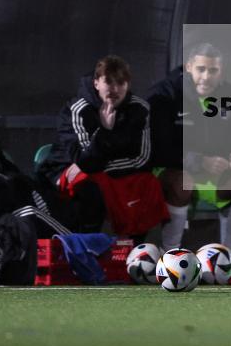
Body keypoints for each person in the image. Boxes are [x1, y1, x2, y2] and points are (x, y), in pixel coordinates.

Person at [148, 43, 231, 254]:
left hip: (213, 175)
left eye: (213, 70)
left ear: (221, 72)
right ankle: (169, 254)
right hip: (171, 171)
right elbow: (158, 149)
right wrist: (199, 161)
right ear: (189, 67)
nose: (206, 76)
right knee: (183, 183)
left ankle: (228, 255)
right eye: (201, 69)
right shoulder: (165, 95)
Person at [39, 55, 168, 237]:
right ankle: (88, 249)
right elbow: (84, 161)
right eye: (108, 82)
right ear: (96, 83)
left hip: (112, 171)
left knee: (148, 183)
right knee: (91, 189)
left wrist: (102, 165)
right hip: (66, 168)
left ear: (128, 85)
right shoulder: (77, 109)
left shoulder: (140, 108)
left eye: (121, 83)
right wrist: (105, 131)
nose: (114, 89)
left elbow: (143, 158)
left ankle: (136, 254)